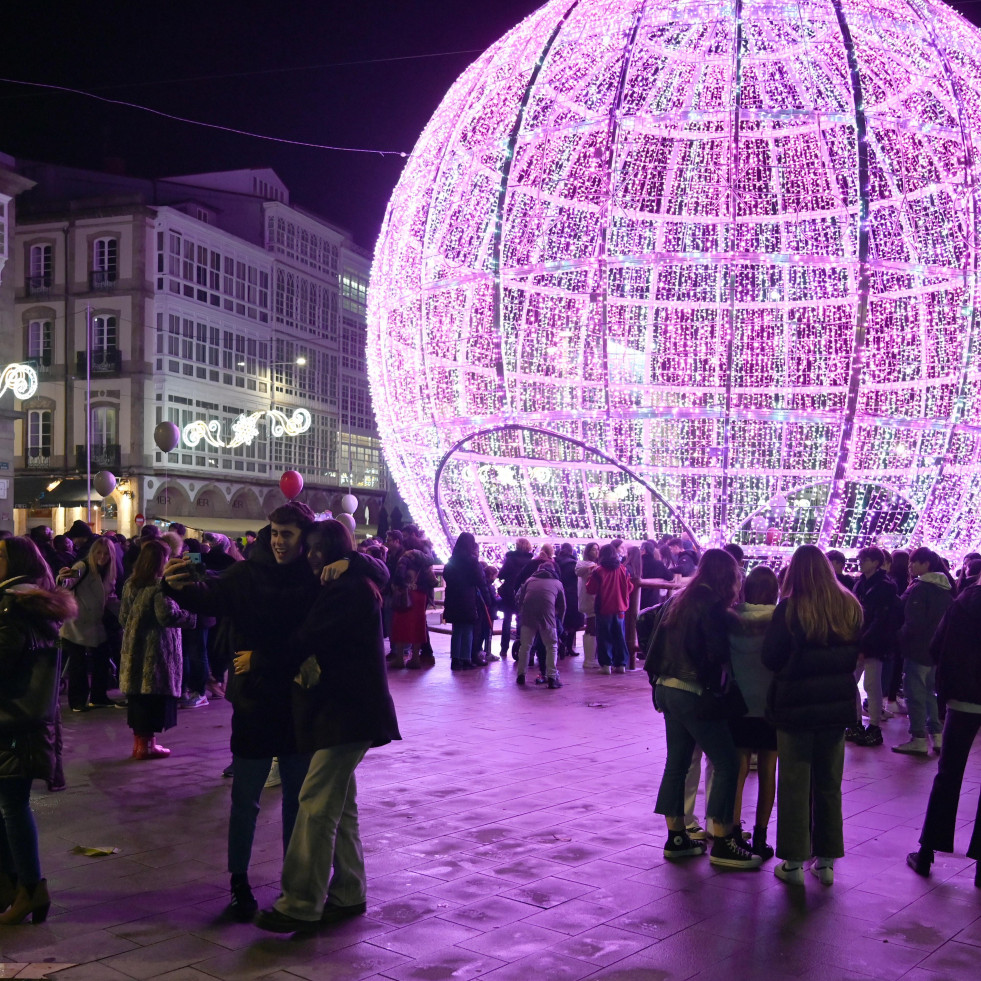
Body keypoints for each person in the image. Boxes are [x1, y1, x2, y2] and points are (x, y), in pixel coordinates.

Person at [253, 520, 400, 931]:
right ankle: (349, 891)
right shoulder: (345, 580)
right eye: (310, 549)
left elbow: (309, 637)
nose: (312, 556)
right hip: (349, 711)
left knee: (315, 802)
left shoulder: (346, 588)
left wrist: (261, 662)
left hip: (347, 712)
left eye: (320, 549)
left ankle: (300, 901)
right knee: (341, 805)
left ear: (335, 549)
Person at [648, 548, 762, 869]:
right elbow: (714, 657)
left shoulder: (679, 599)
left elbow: (652, 633)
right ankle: (724, 840)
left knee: (678, 763)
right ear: (728, 576)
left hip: (666, 687)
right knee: (727, 762)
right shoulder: (713, 607)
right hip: (693, 692)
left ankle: (677, 837)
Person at [762, 545, 863, 885]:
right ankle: (827, 861)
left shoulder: (789, 610)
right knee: (829, 783)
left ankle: (793, 862)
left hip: (796, 706)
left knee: (794, 782)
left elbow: (772, 658)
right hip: (836, 707)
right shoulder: (849, 605)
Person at [0, 537, 76, 925]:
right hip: (28, 723)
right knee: (8, 804)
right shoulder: (34, 603)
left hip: (13, 722)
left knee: (11, 805)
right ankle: (17, 885)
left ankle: (30, 888)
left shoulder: (13, 608)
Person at [906, 574, 981, 888]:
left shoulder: (964, 601)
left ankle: (926, 851)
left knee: (948, 774)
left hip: (963, 699)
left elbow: (938, 646)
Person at [119, 540, 195, 760]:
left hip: (134, 648)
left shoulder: (130, 584)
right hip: (157, 649)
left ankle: (140, 745)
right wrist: (191, 616)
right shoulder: (161, 587)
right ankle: (147, 746)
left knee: (138, 698)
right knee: (153, 697)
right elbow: (166, 615)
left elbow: (123, 617)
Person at [892, 548, 952, 755]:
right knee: (929, 693)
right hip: (935, 650)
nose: (910, 566)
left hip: (917, 649)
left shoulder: (921, 589)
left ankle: (918, 737)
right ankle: (936, 735)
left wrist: (898, 637)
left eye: (914, 562)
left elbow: (913, 622)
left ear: (926, 564)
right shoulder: (945, 589)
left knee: (915, 694)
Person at [58, 535, 119, 711]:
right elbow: (67, 583)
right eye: (99, 553)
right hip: (76, 623)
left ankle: (98, 696)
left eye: (106, 554)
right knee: (78, 664)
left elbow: (111, 597)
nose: (102, 557)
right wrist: (62, 578)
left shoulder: (108, 572)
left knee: (101, 659)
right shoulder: (82, 566)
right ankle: (77, 701)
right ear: (92, 552)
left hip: (95, 623)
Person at [849, 546, 901, 747]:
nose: (861, 562)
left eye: (865, 559)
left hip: (874, 642)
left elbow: (881, 620)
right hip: (861, 640)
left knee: (871, 684)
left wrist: (863, 642)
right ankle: (856, 724)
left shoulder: (885, 586)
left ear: (876, 562)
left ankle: (874, 726)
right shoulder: (861, 583)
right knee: (854, 682)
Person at [514, 559, 565, 688]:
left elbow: (520, 600)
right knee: (551, 646)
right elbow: (563, 606)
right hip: (547, 617)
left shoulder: (529, 581)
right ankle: (552, 677)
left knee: (525, 646)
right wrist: (559, 622)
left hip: (528, 616)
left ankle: (521, 676)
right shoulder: (557, 583)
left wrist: (521, 614)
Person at [442, 532, 487, 671]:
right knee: (468, 629)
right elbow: (480, 580)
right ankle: (465, 658)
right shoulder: (472, 561)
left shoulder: (451, 560)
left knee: (457, 630)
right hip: (468, 597)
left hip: (453, 596)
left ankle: (455, 659)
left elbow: (446, 576)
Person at [586, 543, 634, 674]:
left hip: (603, 608)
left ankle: (606, 665)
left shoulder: (598, 571)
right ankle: (621, 664)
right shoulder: (623, 569)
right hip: (620, 608)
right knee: (620, 636)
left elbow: (590, 589)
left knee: (604, 636)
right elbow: (630, 587)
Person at [389, 549, 437, 669]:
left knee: (400, 625)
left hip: (407, 595)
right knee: (418, 626)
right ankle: (415, 658)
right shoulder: (426, 561)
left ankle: (399, 658)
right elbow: (433, 582)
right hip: (421, 596)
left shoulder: (405, 557)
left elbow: (399, 576)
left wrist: (402, 584)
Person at [498, 538, 535, 659]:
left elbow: (501, 574)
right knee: (521, 620)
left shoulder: (510, 559)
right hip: (524, 592)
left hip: (509, 592)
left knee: (507, 620)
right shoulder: (531, 561)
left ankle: (504, 648)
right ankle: (520, 645)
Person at [576, 542, 600, 669]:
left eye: (597, 549)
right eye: (594, 549)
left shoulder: (594, 565)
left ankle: (590, 657)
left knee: (592, 627)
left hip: (591, 598)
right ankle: (590, 658)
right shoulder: (582, 564)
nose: (596, 552)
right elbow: (579, 571)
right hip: (589, 598)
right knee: (591, 627)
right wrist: (592, 568)